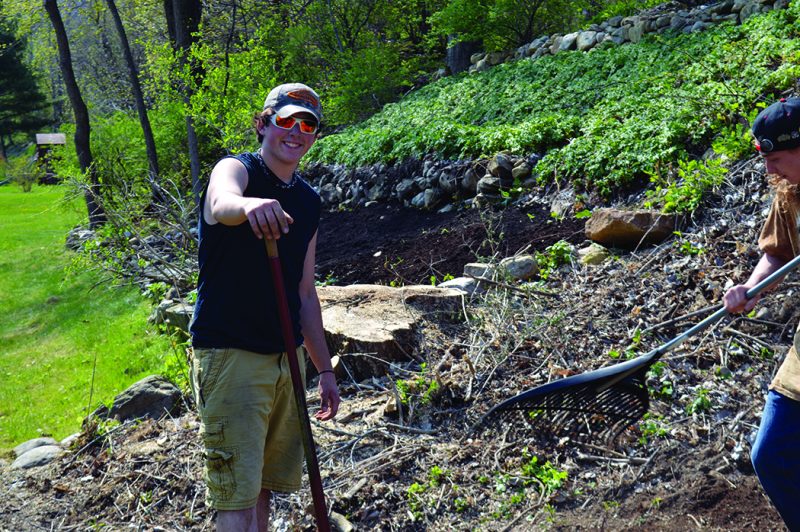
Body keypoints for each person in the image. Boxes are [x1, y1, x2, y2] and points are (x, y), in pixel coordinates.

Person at [189, 82, 340, 531]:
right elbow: (221, 202)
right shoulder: (237, 170)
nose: (296, 130)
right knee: (235, 494)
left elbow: (305, 292)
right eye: (286, 119)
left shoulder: (309, 201)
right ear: (263, 123)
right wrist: (249, 205)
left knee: (261, 489)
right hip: (232, 355)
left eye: (307, 124)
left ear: (314, 135)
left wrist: (325, 369)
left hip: (286, 360)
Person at [723, 97, 800, 531]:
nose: (770, 172)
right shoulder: (789, 195)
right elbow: (778, 253)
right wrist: (750, 289)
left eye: (777, 159)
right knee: (772, 454)